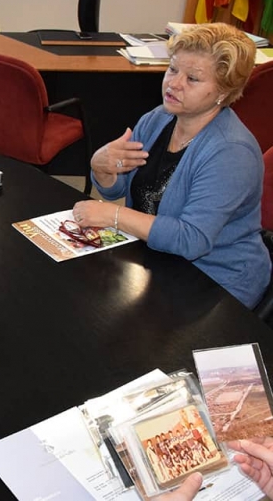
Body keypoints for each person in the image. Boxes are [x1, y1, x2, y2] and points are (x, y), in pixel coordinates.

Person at [71, 22, 270, 308]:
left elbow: (192, 239)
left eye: (193, 78)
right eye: (173, 69)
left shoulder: (231, 152)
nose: (174, 83)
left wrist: (113, 216)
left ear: (223, 92)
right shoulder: (159, 118)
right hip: (155, 259)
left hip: (216, 281)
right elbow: (121, 190)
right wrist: (102, 168)